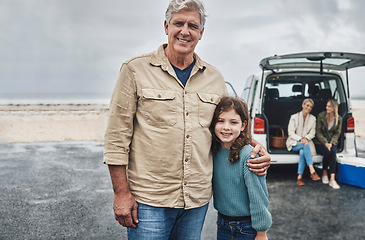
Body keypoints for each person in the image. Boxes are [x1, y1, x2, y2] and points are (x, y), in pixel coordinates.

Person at [103, 0, 271, 239]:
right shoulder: (135, 70)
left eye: (192, 25)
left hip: (196, 201)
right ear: (166, 26)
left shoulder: (214, 77)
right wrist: (121, 193)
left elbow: (228, 125)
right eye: (178, 23)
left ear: (201, 33)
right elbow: (117, 137)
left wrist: (257, 148)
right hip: (150, 200)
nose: (185, 31)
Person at [211, 97, 272, 240]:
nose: (226, 127)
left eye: (233, 122)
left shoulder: (249, 156)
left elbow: (258, 197)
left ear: (243, 125)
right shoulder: (214, 151)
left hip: (246, 227)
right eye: (221, 121)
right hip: (222, 223)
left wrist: (261, 232)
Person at [286, 98, 320, 186]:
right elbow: (291, 132)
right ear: (303, 105)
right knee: (304, 145)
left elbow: (312, 133)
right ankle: (312, 170)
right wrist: (301, 139)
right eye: (307, 105)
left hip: (306, 142)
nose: (309, 108)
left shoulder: (313, 118)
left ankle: (299, 177)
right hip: (294, 142)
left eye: (311, 107)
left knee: (302, 152)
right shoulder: (294, 117)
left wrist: (305, 138)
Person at [314, 99, 342, 189]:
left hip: (331, 143)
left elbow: (337, 133)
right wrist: (326, 143)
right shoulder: (321, 116)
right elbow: (318, 133)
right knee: (328, 151)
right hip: (320, 142)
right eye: (326, 106)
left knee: (332, 151)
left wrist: (331, 143)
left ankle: (332, 179)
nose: (327, 108)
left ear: (334, 108)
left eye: (329, 106)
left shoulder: (339, 119)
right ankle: (325, 172)